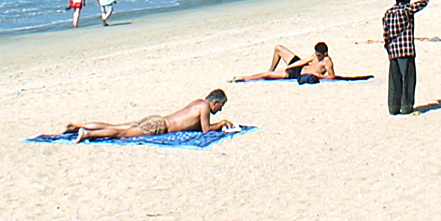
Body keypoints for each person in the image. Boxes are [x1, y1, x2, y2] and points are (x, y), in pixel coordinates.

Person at [64, 90, 235, 141]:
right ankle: (87, 133)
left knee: (115, 126)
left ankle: (78, 126)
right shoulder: (205, 108)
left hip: (157, 119)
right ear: (215, 102)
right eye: (220, 107)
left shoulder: (197, 102)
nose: (219, 110)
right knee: (122, 133)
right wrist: (220, 124)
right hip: (159, 127)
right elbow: (206, 130)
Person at [382, 0, 430, 116]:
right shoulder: (407, 10)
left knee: (394, 80)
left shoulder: (388, 13)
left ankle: (393, 106)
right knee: (408, 79)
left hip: (393, 52)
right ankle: (406, 106)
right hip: (406, 50)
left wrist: (389, 49)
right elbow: (424, 1)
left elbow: (386, 34)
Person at [234, 41, 364, 82]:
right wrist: (290, 65)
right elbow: (302, 61)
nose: (317, 57)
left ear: (325, 54)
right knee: (278, 48)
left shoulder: (327, 62)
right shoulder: (314, 56)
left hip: (298, 75)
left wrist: (316, 76)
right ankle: (271, 68)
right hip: (298, 68)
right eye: (316, 54)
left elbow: (332, 77)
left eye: (319, 55)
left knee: (266, 76)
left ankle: (244, 78)